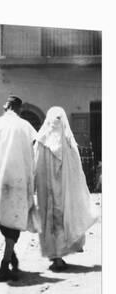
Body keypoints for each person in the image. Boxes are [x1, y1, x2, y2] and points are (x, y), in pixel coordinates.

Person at [0, 95, 39, 281]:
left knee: (5, 223)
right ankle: (5, 264)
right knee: (14, 223)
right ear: (19, 109)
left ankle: (10, 256)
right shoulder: (25, 127)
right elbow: (33, 153)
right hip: (19, 181)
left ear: (7, 107)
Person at [35, 107, 97, 271]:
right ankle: (57, 256)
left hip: (54, 193)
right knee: (57, 222)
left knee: (54, 222)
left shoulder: (44, 142)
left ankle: (57, 256)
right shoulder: (67, 143)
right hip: (57, 193)